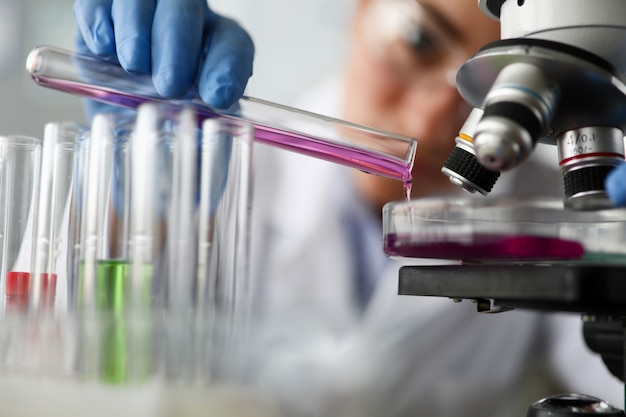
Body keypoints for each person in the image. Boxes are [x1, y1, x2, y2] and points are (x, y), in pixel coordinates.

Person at [73, 0, 625, 416]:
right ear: (360, 7)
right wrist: (131, 193)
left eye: (484, 92)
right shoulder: (219, 163)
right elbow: (70, 359)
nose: (434, 119)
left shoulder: (558, 208)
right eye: (419, 40)